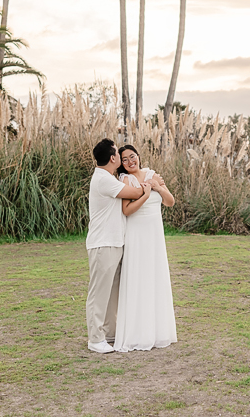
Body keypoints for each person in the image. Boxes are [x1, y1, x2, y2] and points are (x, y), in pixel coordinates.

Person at [113, 144, 178, 352]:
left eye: (132, 157)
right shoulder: (125, 181)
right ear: (121, 164)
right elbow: (126, 211)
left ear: (138, 156)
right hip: (137, 234)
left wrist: (157, 187)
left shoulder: (152, 174)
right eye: (125, 159)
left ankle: (157, 331)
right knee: (138, 277)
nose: (130, 161)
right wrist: (145, 195)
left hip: (154, 234)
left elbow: (170, 202)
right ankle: (137, 333)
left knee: (154, 277)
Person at [86, 138, 147, 354]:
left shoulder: (108, 177)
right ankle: (95, 339)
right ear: (113, 158)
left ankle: (109, 334)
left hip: (113, 243)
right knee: (99, 293)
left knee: (112, 293)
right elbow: (135, 193)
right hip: (103, 244)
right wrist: (148, 186)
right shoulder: (104, 179)